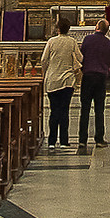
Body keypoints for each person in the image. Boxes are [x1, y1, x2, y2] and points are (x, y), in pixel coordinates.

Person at [41, 17, 81, 148]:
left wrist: (45, 72)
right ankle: (64, 141)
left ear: (57, 29)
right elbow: (80, 58)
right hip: (67, 80)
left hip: (53, 80)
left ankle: (51, 141)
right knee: (64, 111)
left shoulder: (51, 41)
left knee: (54, 111)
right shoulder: (72, 42)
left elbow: (43, 60)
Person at [78, 18, 110, 148]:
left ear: (96, 27)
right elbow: (109, 59)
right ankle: (99, 139)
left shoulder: (87, 39)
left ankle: (82, 140)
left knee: (85, 109)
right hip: (100, 77)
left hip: (88, 76)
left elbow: (81, 56)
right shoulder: (108, 43)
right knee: (99, 110)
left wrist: (84, 69)